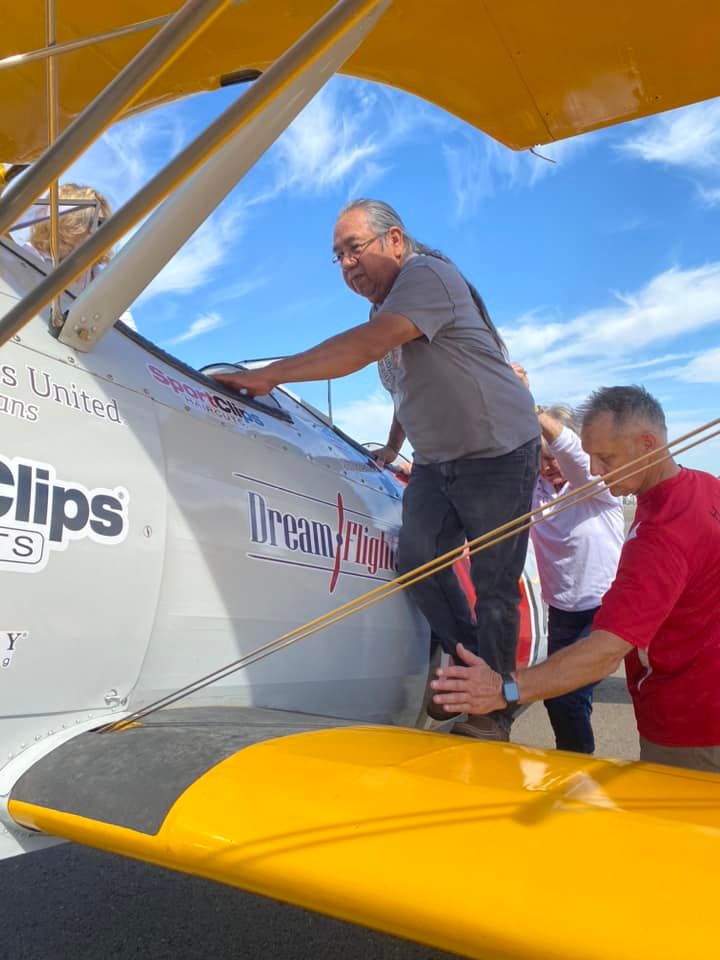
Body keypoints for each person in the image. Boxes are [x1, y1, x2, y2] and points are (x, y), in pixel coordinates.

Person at [212, 198, 540, 740]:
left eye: (353, 248)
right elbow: (409, 389)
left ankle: (491, 709)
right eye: (337, 256)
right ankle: (466, 667)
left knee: (494, 584)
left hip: (497, 452)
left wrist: (274, 375)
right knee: (416, 558)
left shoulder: (427, 276)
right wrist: (391, 448)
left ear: (394, 240)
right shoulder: (385, 311)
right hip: (438, 461)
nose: (346, 264)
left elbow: (367, 349)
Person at [431, 385, 720, 772]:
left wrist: (504, 690)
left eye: (605, 457)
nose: (596, 471)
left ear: (647, 443)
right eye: (591, 458)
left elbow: (603, 655)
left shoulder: (660, 538)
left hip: (690, 728)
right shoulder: (705, 486)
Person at [512, 365, 624, 753]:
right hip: (562, 612)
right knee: (566, 701)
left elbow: (572, 453)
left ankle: (577, 771)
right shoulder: (535, 493)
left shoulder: (595, 489)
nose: (549, 465)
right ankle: (574, 760)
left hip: (604, 610)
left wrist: (531, 405)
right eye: (542, 458)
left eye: (553, 457)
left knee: (566, 697)